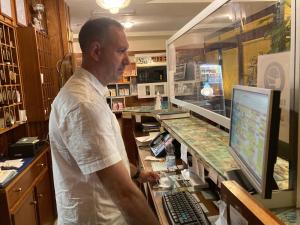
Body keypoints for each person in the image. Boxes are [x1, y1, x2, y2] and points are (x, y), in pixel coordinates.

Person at [49, 17, 160, 225]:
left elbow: (107, 157)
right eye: (121, 51)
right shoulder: (83, 104)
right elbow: (124, 194)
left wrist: (137, 174)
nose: (127, 60)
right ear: (96, 52)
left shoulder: (89, 94)